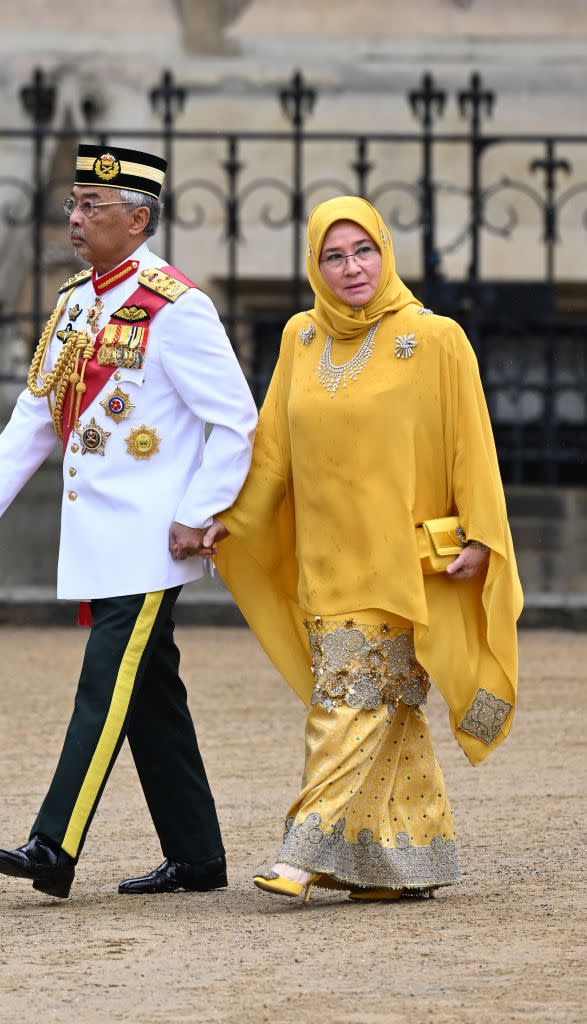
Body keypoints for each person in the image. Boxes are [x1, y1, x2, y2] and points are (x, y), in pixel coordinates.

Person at [0, 144, 257, 900]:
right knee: (151, 697)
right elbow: (36, 413)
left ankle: (53, 845)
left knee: (105, 689)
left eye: (94, 207)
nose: (76, 219)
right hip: (101, 536)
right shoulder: (75, 300)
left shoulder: (178, 307)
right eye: (74, 205)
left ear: (139, 219)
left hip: (153, 541)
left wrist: (197, 514)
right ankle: (198, 856)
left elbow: (236, 421)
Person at [207, 196, 523, 903]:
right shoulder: (299, 337)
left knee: (348, 701)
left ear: (385, 251)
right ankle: (398, 864)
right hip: (324, 559)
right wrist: (228, 522)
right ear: (313, 264)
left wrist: (479, 534)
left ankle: (303, 849)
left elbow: (473, 443)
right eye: (332, 255)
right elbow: (272, 454)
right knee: (384, 708)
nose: (351, 268)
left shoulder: (434, 337)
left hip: (402, 561)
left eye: (363, 251)